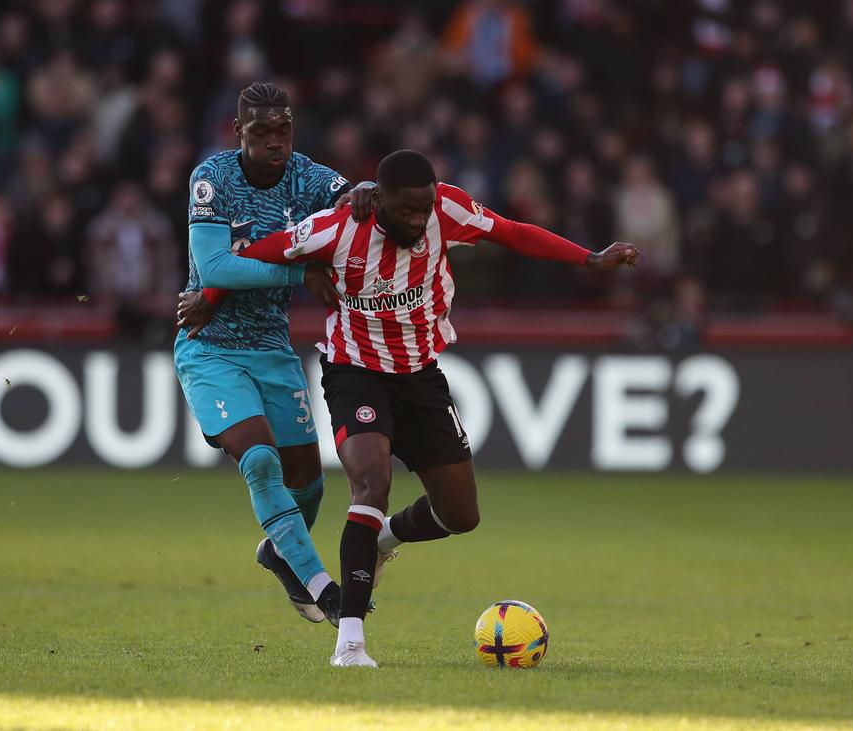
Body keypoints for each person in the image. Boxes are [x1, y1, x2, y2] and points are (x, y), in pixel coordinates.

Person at [200, 150, 638, 666]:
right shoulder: (335, 229)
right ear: (379, 201)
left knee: (461, 515)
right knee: (371, 484)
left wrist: (588, 257)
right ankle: (350, 644)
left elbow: (512, 231)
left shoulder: (447, 210)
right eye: (407, 210)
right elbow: (254, 255)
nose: (418, 219)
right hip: (356, 374)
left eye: (424, 209)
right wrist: (206, 296)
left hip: (421, 379)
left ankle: (383, 540)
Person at [174, 82, 372, 626]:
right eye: (260, 132)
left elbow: (348, 195)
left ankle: (278, 552)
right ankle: (325, 590)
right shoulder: (213, 179)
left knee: (308, 482)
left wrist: (363, 190)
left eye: (282, 130)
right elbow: (213, 268)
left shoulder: (306, 176)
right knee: (260, 461)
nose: (274, 142)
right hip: (210, 349)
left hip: (272, 349)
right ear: (239, 132)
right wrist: (298, 271)